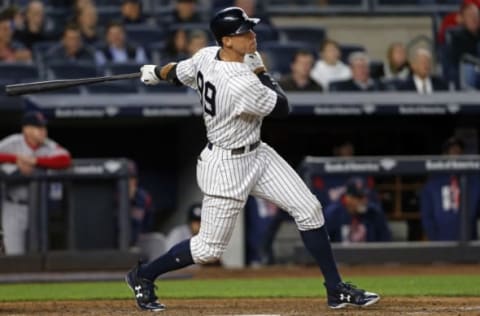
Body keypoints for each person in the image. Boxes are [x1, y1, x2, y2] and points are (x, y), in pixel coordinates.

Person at [125, 6, 379, 312]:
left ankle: (335, 289)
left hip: (257, 153)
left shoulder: (207, 55)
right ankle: (143, 275)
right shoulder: (240, 83)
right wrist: (261, 70)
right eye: (243, 33)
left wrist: (155, 72)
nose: (252, 36)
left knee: (309, 209)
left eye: (250, 29)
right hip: (226, 165)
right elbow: (284, 108)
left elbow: (178, 72)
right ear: (227, 41)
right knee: (208, 248)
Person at [0, 111, 71, 255]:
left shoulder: (49, 145)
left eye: (44, 128)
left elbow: (65, 159)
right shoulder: (13, 142)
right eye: (38, 128)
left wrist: (35, 161)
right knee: (14, 253)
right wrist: (15, 159)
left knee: (39, 251)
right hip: (13, 205)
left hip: (39, 207)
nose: (43, 131)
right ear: (26, 129)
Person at [420, 137, 480, 241]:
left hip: (469, 242)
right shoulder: (432, 184)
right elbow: (427, 218)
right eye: (452, 151)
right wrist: (436, 242)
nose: (456, 155)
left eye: (459, 152)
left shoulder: (473, 181)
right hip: (442, 243)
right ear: (444, 155)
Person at [324, 177, 391, 243]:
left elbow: (385, 243)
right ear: (347, 198)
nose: (364, 201)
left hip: (369, 254)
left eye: (365, 197)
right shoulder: (333, 214)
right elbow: (325, 245)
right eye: (359, 197)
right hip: (341, 254)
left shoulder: (374, 213)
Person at [128, 161, 154, 247]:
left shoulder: (144, 198)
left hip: (137, 245)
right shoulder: (112, 197)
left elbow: (148, 225)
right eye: (126, 178)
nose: (129, 182)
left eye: (132, 178)